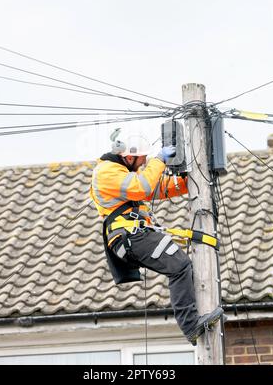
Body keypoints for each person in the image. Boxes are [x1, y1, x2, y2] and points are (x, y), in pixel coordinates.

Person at [90, 131, 223, 345]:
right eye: (142, 157)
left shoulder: (122, 172)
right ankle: (190, 326)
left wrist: (192, 180)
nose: (145, 161)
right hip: (130, 236)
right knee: (179, 266)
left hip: (135, 235)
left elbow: (155, 187)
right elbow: (141, 186)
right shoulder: (106, 172)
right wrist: (159, 161)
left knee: (179, 266)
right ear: (129, 156)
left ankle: (192, 322)